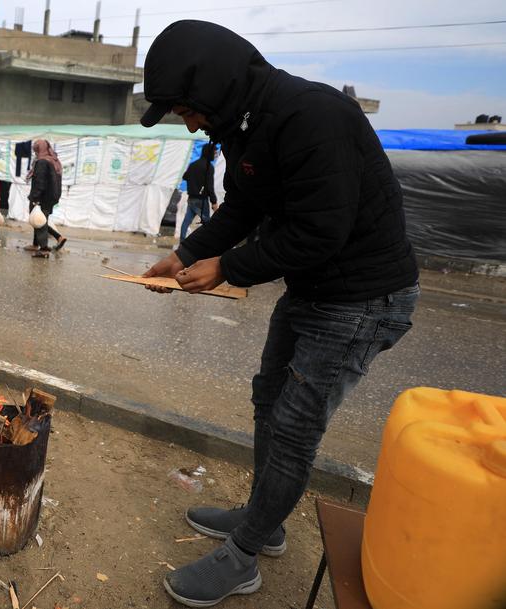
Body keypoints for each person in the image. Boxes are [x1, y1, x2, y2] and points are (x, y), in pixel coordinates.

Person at [138, 21, 419, 607]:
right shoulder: (241, 124)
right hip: (316, 289)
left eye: (187, 108)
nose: (188, 122)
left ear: (213, 88)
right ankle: (265, 521)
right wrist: (184, 253)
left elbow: (321, 230)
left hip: (364, 299)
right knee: (269, 396)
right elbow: (243, 207)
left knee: (294, 426)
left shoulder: (311, 116)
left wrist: (229, 268)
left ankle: (243, 557)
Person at [23, 139, 67, 258]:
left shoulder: (42, 162)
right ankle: (38, 243)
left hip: (42, 196)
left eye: (36, 149)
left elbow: (40, 182)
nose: (35, 152)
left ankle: (43, 249)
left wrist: (35, 198)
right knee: (39, 220)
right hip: (51, 196)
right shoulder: (53, 160)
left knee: (40, 222)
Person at [180, 143, 218, 239]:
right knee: (207, 223)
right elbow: (210, 186)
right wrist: (214, 201)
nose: (215, 154)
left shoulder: (193, 165)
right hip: (202, 200)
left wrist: (194, 181)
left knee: (186, 222)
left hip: (191, 198)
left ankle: (182, 241)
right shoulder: (209, 167)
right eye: (214, 152)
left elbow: (185, 176)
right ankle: (205, 243)